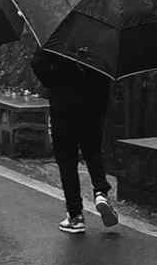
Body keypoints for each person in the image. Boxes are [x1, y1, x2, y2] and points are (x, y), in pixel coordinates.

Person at [29, 47, 119, 234]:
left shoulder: (60, 37)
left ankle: (75, 216)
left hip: (64, 107)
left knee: (67, 160)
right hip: (93, 108)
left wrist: (56, 81)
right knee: (93, 151)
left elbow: (38, 65)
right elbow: (107, 75)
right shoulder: (101, 41)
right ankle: (101, 192)